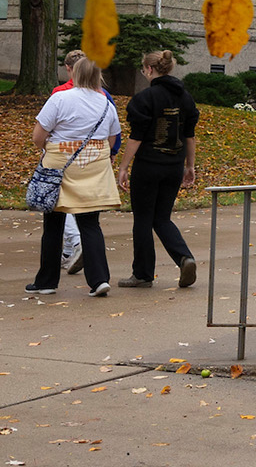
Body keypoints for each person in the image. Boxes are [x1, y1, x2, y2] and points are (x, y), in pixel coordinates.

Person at [30, 56, 122, 297]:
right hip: (93, 166)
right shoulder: (106, 103)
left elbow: (38, 136)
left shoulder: (59, 98)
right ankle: (99, 278)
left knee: (53, 225)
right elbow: (113, 140)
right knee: (90, 223)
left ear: (75, 74)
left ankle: (47, 281)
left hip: (60, 166)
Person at [115, 50, 200, 289]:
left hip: (148, 167)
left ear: (150, 69)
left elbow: (136, 137)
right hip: (174, 166)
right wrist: (190, 166)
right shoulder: (185, 98)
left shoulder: (145, 99)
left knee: (143, 218)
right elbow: (189, 135)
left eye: (144, 70)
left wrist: (123, 166)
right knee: (162, 218)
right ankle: (185, 257)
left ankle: (142, 274)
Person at [52, 51, 104, 276]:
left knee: (63, 205)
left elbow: (43, 130)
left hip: (64, 157)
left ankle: (74, 243)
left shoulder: (60, 94)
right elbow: (113, 133)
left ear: (69, 68)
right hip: (93, 160)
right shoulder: (103, 97)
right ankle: (70, 254)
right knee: (89, 213)